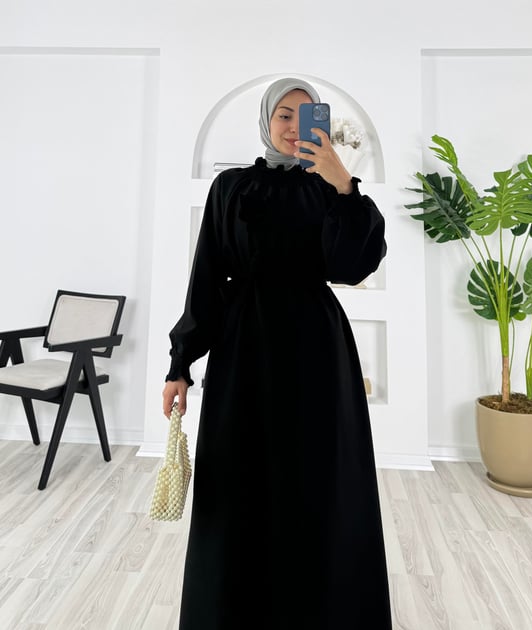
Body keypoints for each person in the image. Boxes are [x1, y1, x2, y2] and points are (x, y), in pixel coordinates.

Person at [162, 77, 392, 630]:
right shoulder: (232, 187)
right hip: (244, 351)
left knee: (318, 479)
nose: (293, 126)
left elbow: (352, 266)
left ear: (322, 124)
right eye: (284, 115)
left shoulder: (332, 187)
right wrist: (180, 363)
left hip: (317, 352)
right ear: (266, 121)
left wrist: (343, 184)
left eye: (306, 115)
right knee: (237, 479)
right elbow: (207, 278)